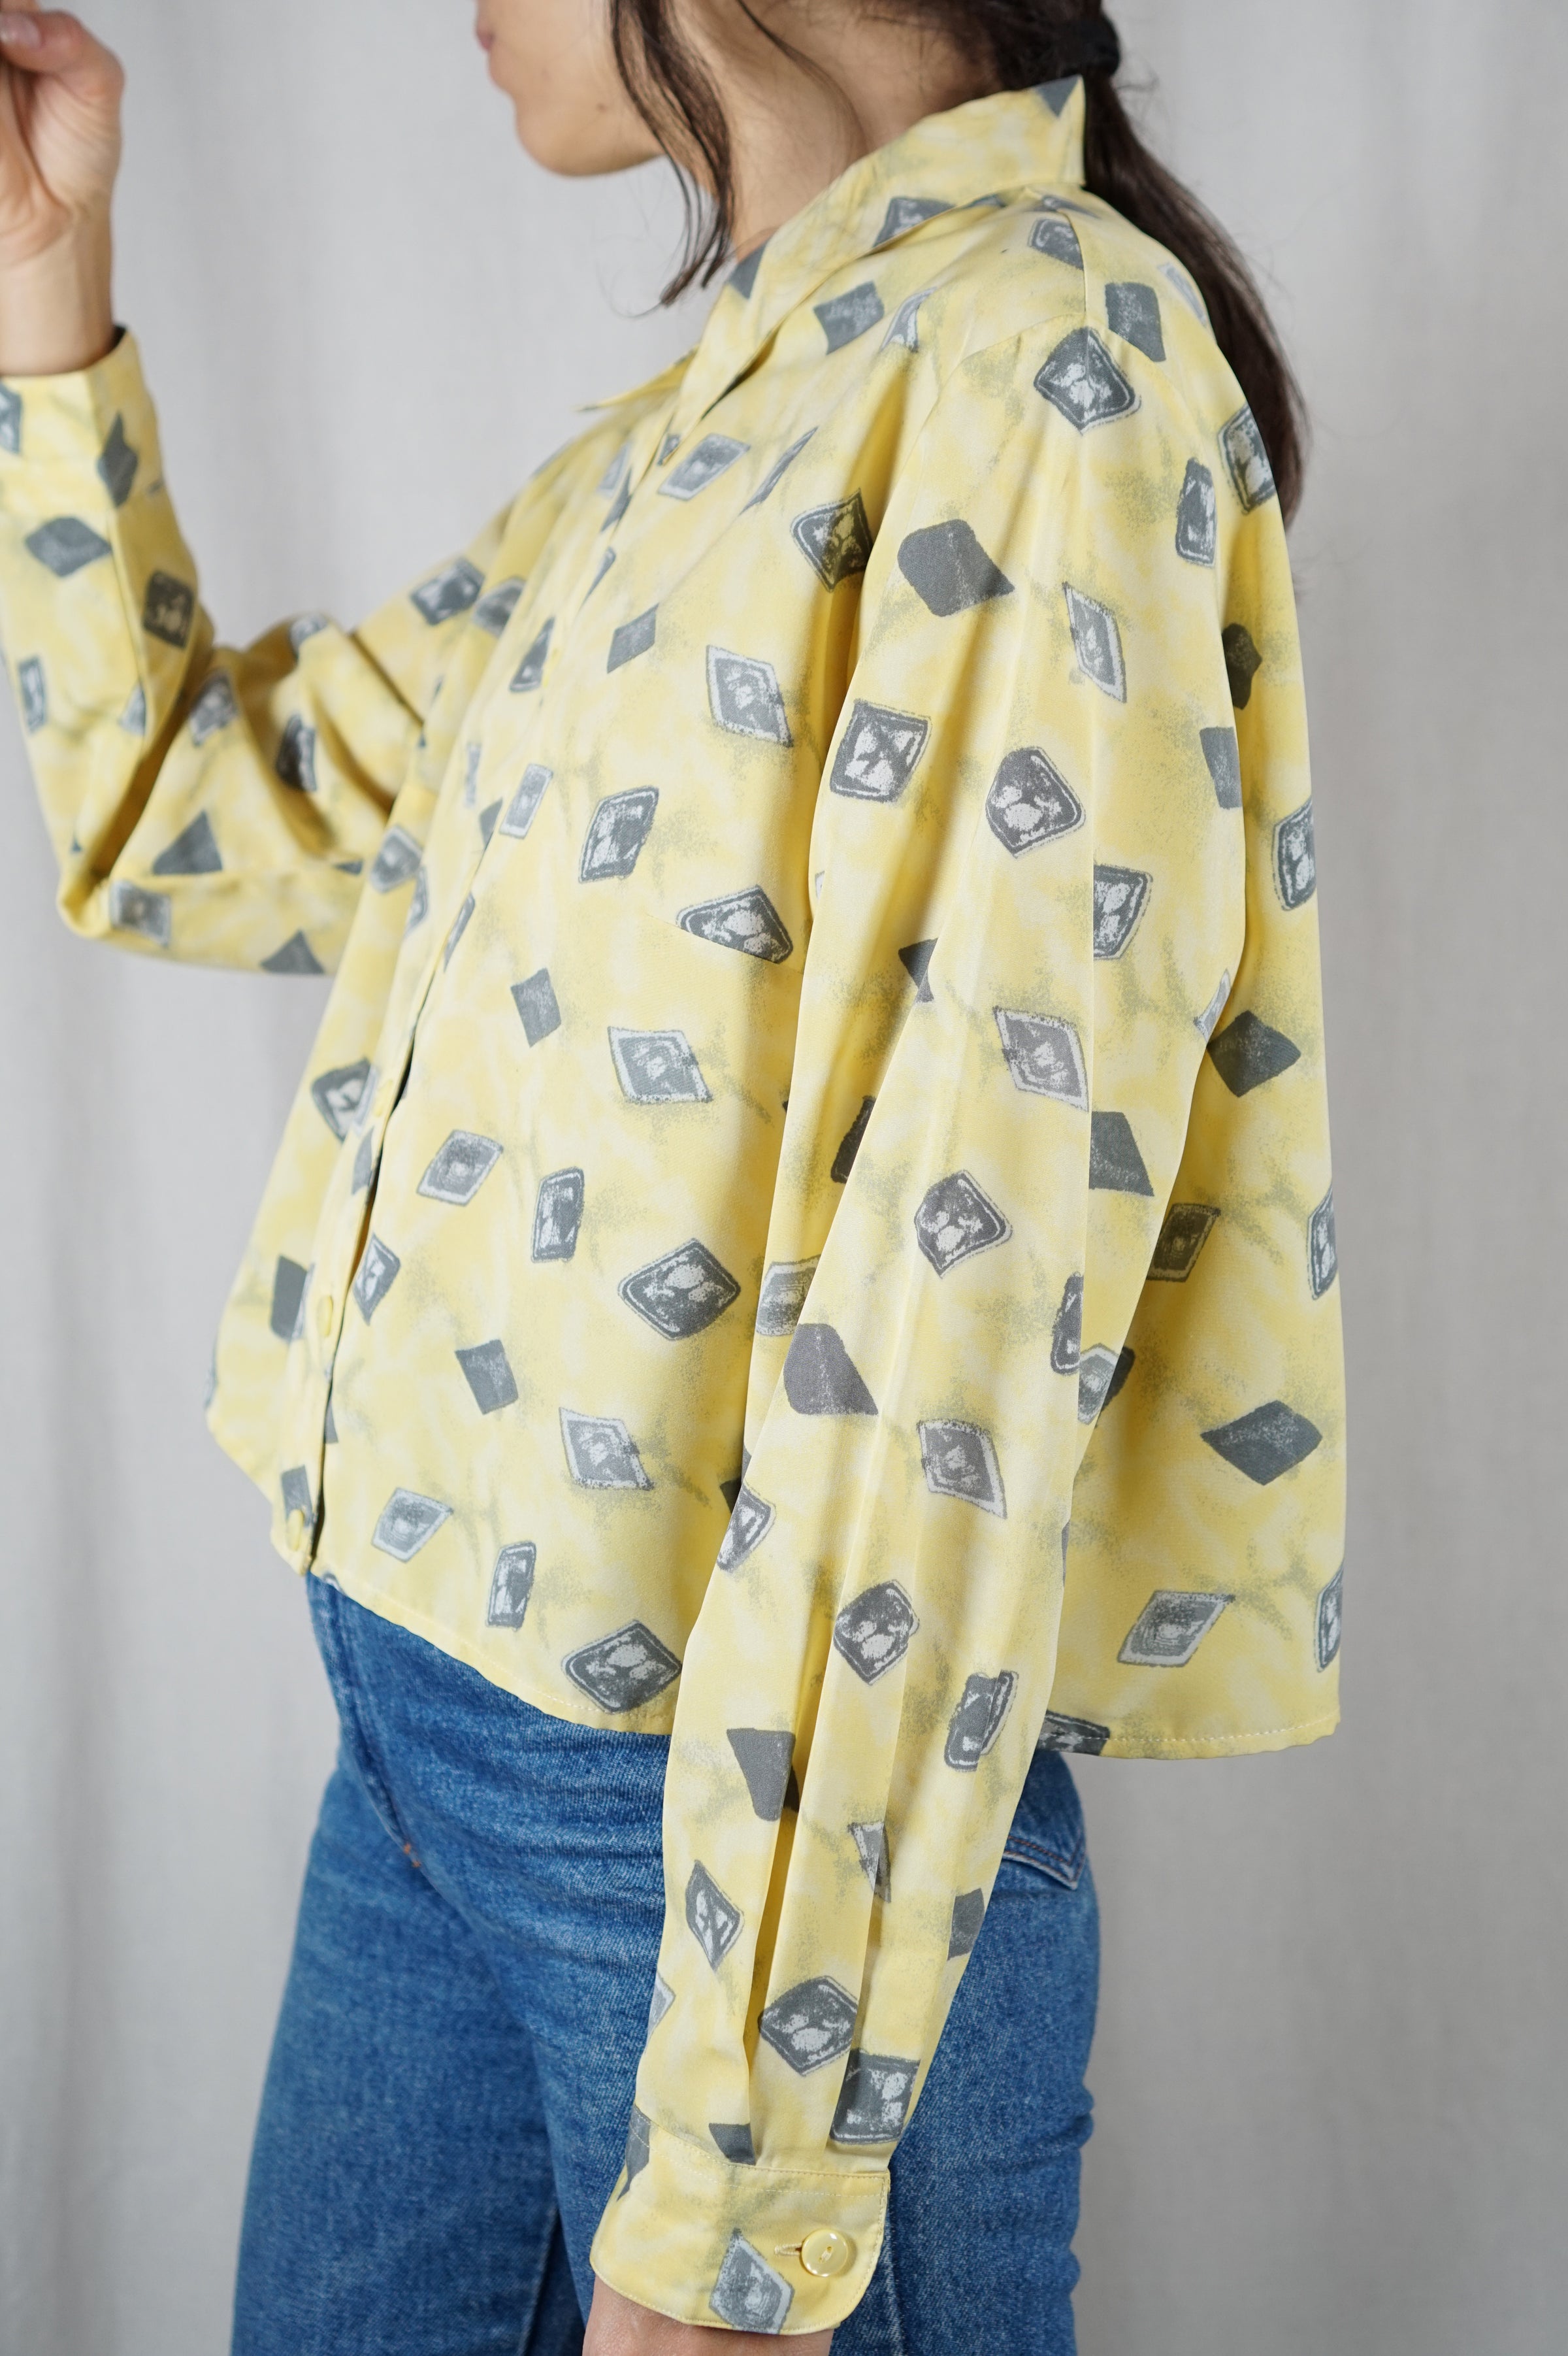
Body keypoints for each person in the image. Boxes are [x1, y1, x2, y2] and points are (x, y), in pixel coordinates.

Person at [0, 1, 1345, 2348]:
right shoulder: (705, 427)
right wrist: (46, 279)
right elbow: (187, 821)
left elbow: (958, 1322)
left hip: (719, 1878)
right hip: (418, 1742)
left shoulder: (1052, 368)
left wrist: (751, 2194)